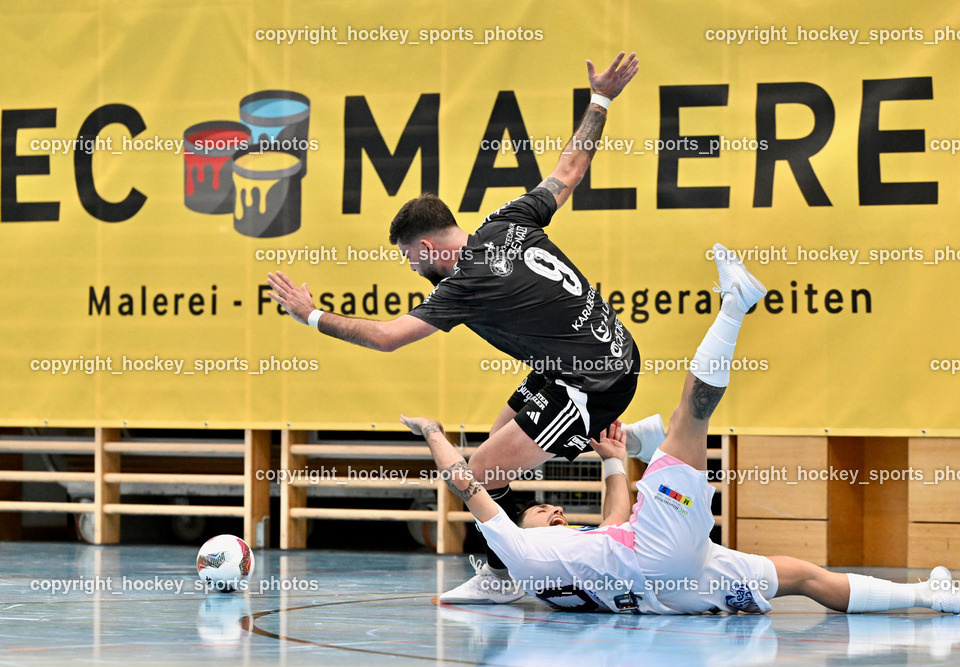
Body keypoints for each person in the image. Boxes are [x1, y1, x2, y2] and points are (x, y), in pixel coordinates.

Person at [267, 51, 667, 603]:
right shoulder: (507, 221)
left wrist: (310, 315)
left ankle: (502, 578)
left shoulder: (464, 285)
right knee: (495, 440)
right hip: (600, 351)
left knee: (475, 474)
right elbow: (569, 170)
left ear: (429, 247)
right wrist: (601, 99)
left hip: (593, 383)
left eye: (412, 259)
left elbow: (387, 338)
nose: (414, 270)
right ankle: (632, 436)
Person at [401, 245, 960, 615]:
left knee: (801, 578)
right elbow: (466, 484)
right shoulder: (519, 549)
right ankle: (734, 307)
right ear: (509, 532)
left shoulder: (558, 562)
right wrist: (432, 432)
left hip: (673, 590)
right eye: (540, 511)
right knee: (689, 416)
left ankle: (930, 598)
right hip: (659, 554)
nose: (551, 511)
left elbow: (613, 522)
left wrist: (616, 461)